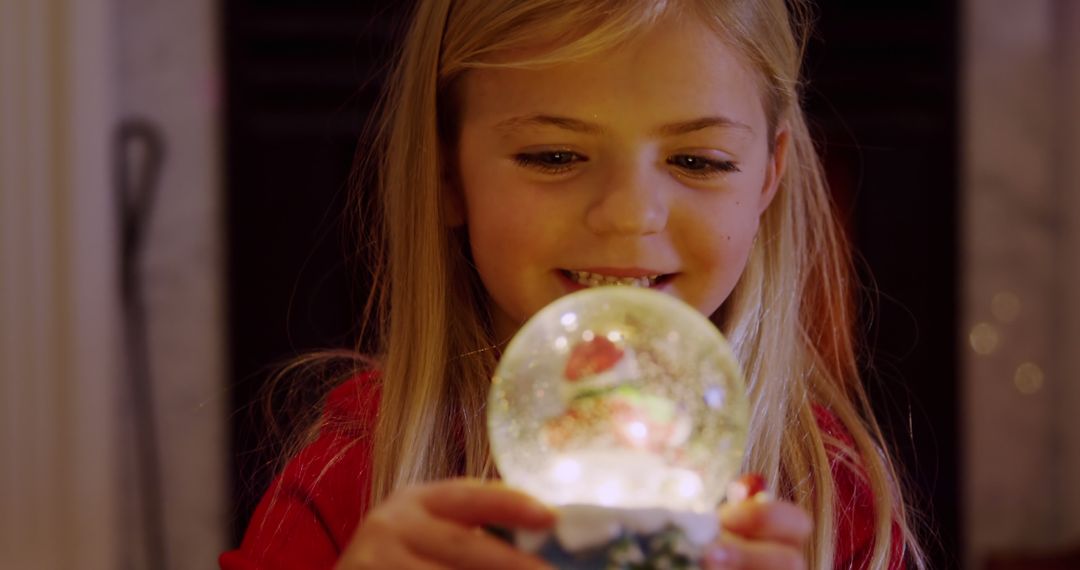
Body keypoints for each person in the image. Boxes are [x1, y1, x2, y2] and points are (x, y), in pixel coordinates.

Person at [221, 0, 925, 568]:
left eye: (699, 161)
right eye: (554, 155)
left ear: (769, 175)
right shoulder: (354, 477)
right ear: (446, 171)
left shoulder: (831, 501)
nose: (628, 216)